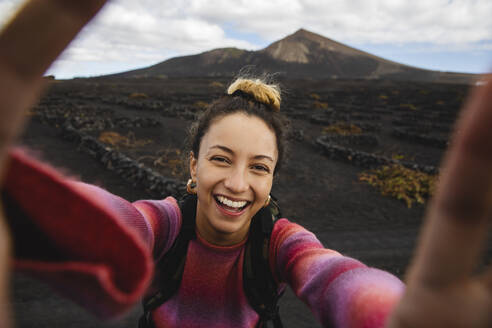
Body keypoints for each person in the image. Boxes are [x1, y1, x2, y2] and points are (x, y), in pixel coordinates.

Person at [0, 1, 491, 328]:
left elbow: (335, 276)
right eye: (220, 159)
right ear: (192, 166)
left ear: (273, 178)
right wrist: (23, 194)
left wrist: (390, 313)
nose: (237, 183)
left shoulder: (281, 243)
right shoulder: (166, 222)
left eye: (259, 167)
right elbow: (119, 219)